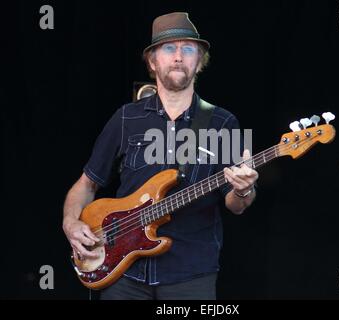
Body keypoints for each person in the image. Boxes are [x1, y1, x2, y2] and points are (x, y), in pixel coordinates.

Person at [62, 12, 259, 300]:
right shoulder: (125, 118)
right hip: (122, 274)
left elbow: (236, 205)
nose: (178, 56)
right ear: (153, 62)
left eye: (188, 49)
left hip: (191, 274)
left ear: (199, 62)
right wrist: (70, 222)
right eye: (169, 48)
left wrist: (244, 189)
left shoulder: (223, 122)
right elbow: (86, 184)